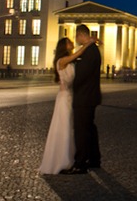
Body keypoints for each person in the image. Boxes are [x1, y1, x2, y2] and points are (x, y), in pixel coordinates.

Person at [38, 36, 95, 174]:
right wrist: (88, 43)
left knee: (70, 127)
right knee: (65, 127)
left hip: (71, 96)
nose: (72, 43)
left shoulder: (69, 60)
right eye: (69, 42)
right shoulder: (62, 61)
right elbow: (79, 54)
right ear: (64, 47)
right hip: (64, 98)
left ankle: (69, 158)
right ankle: (63, 160)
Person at [60, 24, 102, 175]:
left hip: (84, 97)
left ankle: (80, 164)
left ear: (81, 35)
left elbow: (81, 76)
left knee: (81, 130)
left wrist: (68, 85)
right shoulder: (92, 50)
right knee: (90, 128)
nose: (76, 40)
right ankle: (94, 159)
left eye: (76, 36)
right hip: (91, 96)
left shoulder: (89, 51)